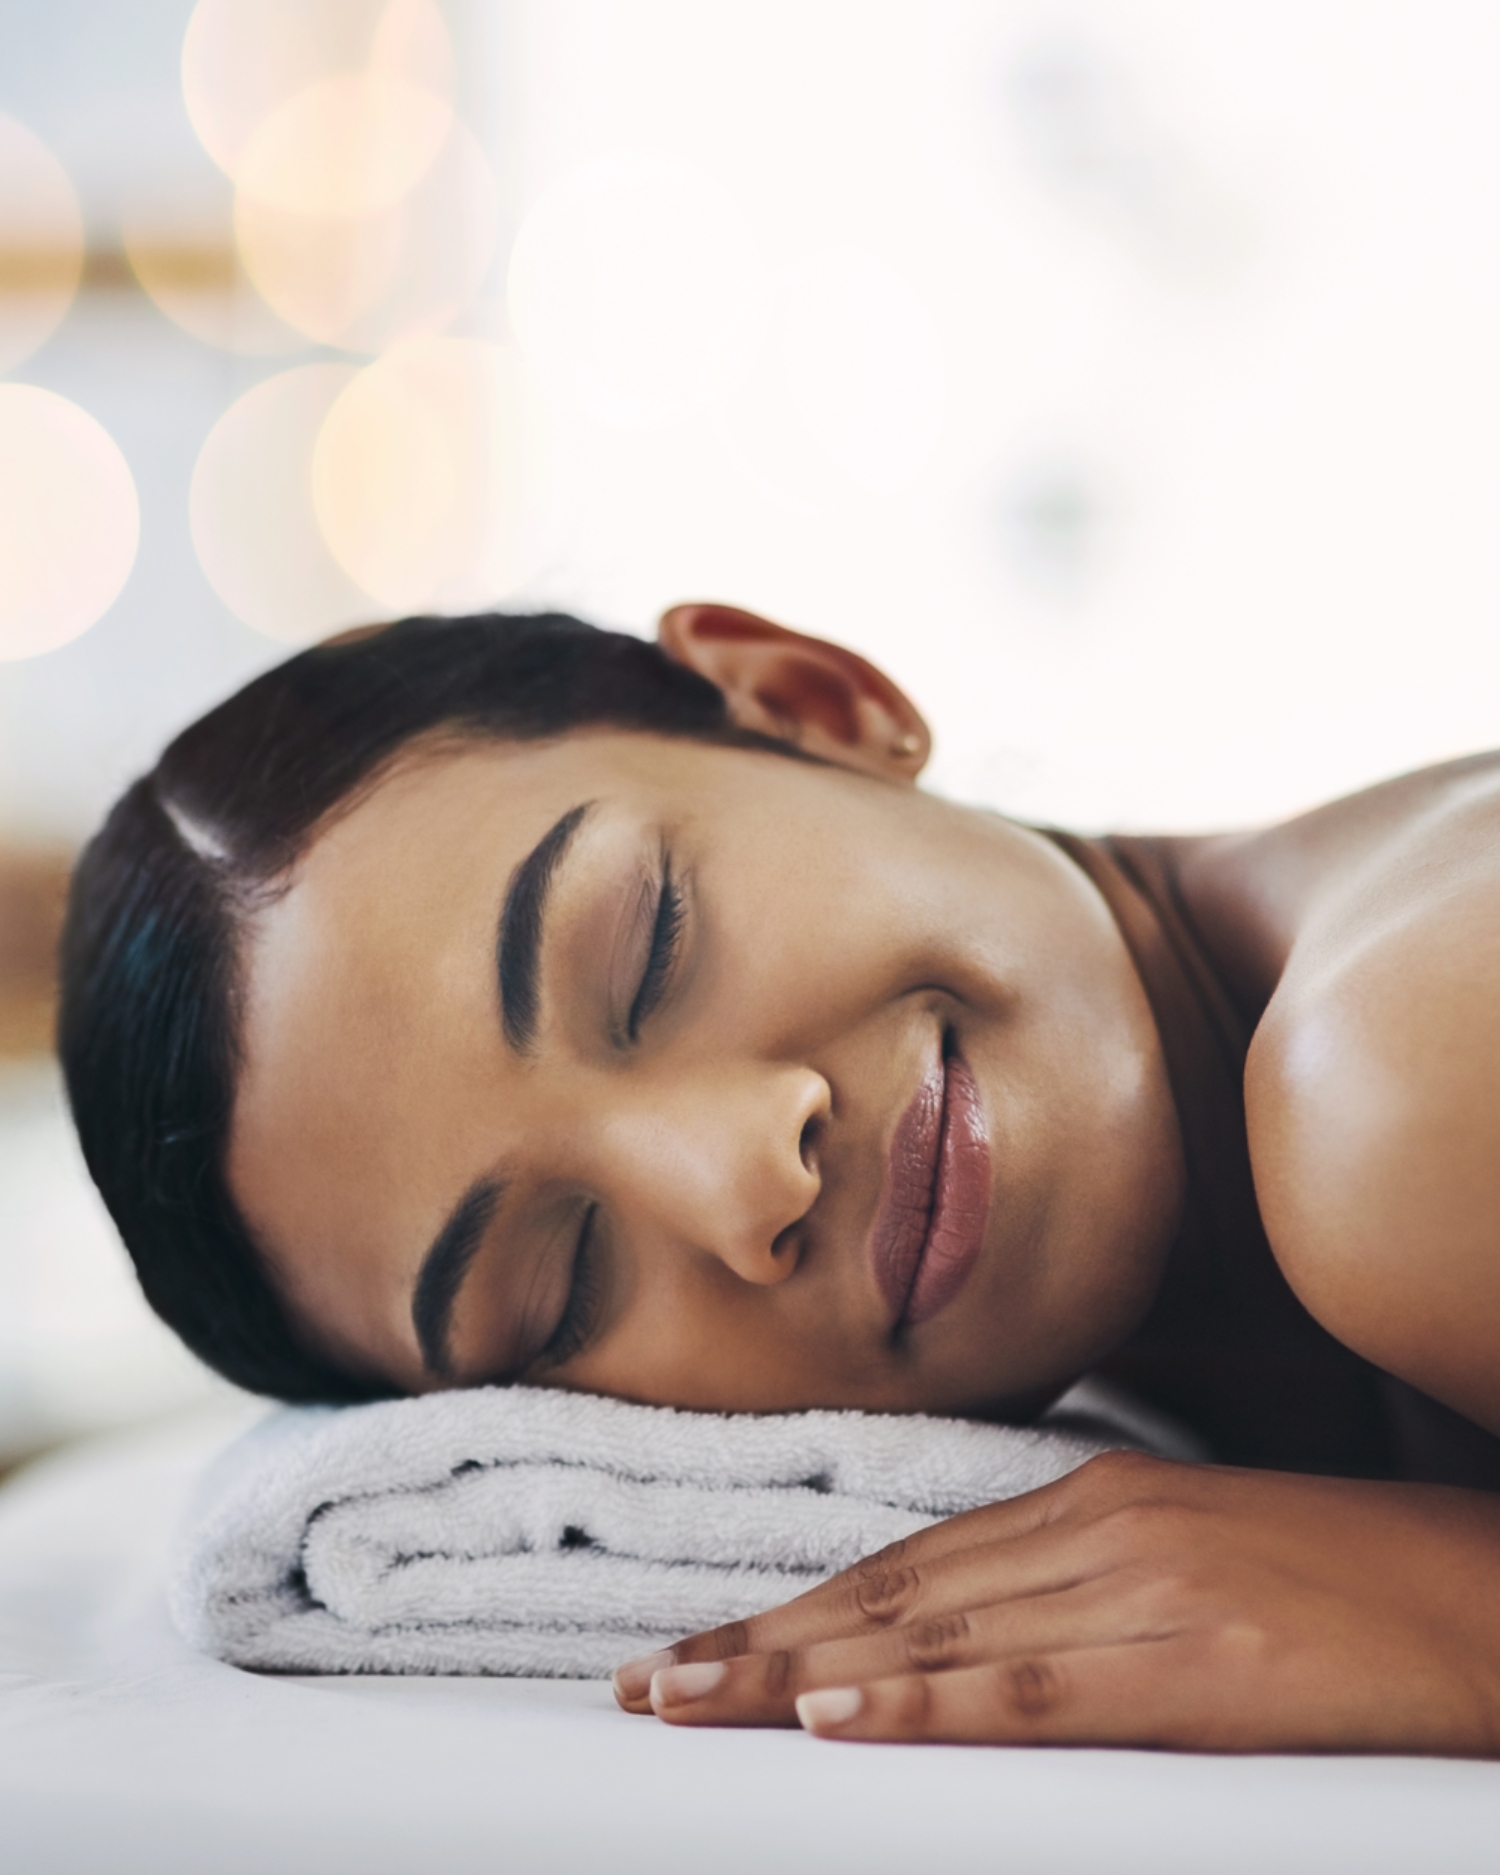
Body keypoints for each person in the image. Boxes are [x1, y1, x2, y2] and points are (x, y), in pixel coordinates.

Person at [59, 602, 1500, 1755]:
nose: (748, 1175)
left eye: (653, 948)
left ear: (814, 702)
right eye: (562, 1284)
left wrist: (1458, 1619)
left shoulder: (1386, 1087)